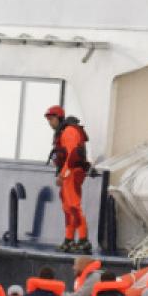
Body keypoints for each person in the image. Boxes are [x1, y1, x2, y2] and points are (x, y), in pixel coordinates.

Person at [45, 107, 92, 254]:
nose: (50, 123)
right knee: (68, 208)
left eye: (51, 119)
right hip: (69, 172)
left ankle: (84, 240)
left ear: (59, 117)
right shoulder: (63, 132)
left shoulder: (69, 132)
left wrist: (62, 175)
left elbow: (72, 156)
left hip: (72, 172)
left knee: (73, 206)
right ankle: (69, 239)